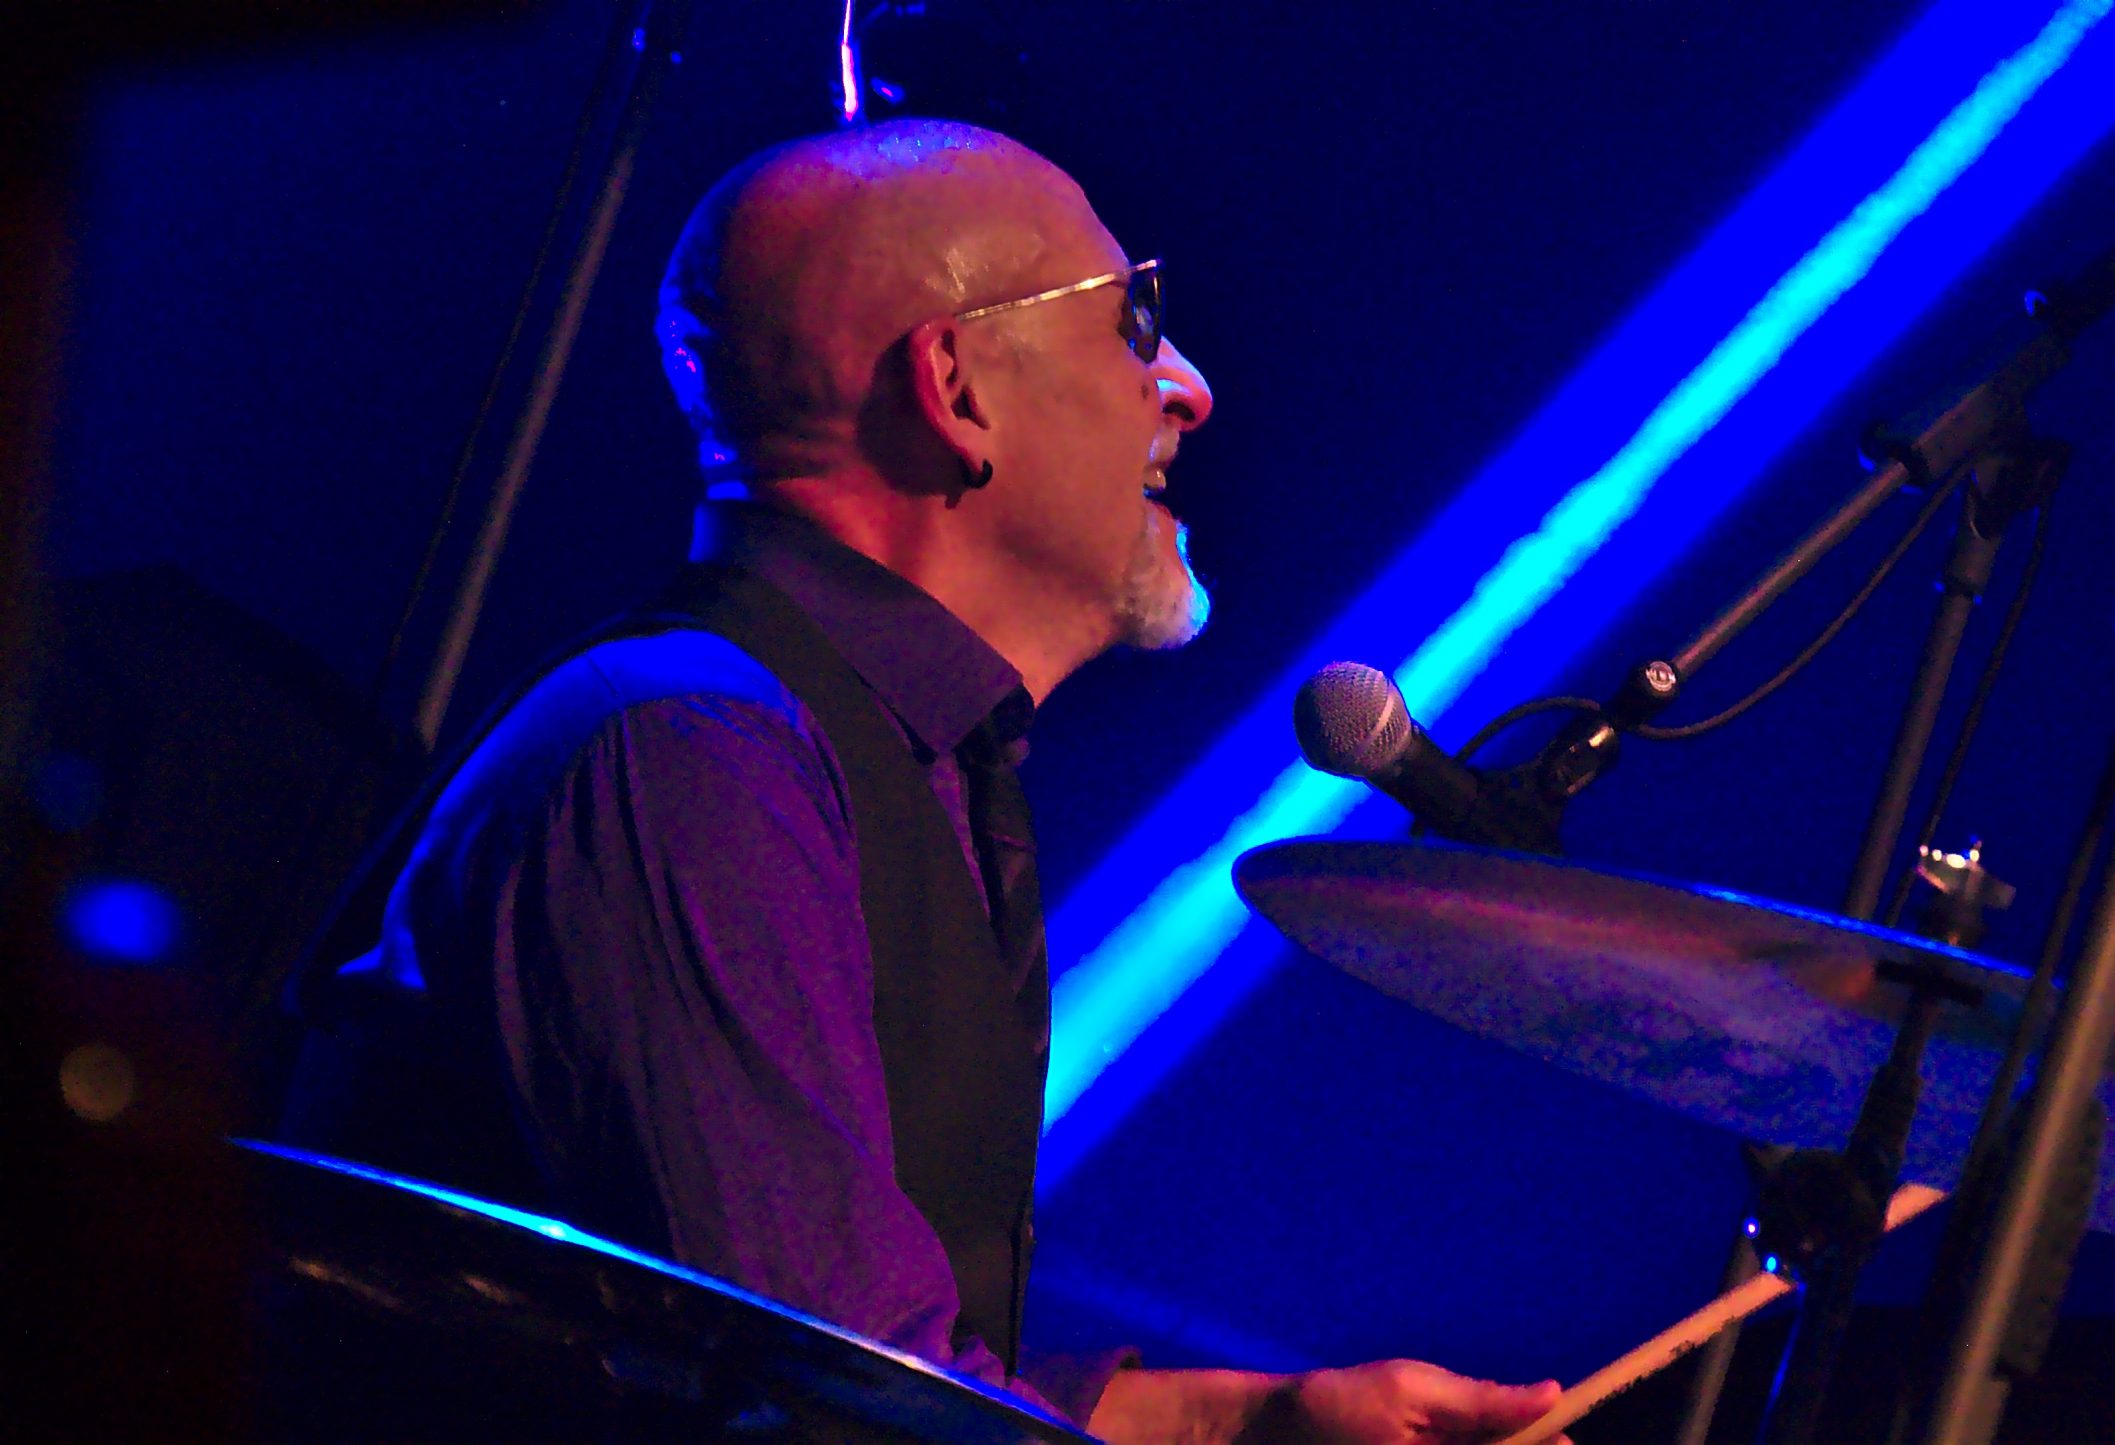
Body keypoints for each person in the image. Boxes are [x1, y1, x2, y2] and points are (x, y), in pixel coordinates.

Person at [282, 120, 1565, 1445]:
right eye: (1134, 322)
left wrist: (1253, 1428)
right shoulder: (687, 756)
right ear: (955, 387)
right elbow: (824, 1409)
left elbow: (880, 1381)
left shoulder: (869, 758)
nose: (1187, 388)